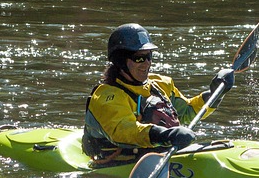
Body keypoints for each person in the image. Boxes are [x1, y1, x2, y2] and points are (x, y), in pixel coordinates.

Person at [82, 23, 234, 167]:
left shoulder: (160, 84)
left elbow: (187, 112)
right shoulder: (106, 97)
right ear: (121, 61)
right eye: (139, 58)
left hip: (160, 155)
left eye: (149, 56)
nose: (146, 63)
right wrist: (165, 136)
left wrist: (215, 94)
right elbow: (124, 131)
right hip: (118, 164)